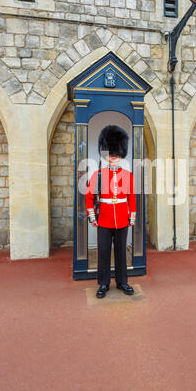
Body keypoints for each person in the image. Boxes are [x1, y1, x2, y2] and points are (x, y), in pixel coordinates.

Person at [85, 125, 137, 299]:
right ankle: (104, 283)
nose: (113, 158)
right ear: (106, 155)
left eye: (116, 155)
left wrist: (132, 216)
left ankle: (122, 281)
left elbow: (131, 198)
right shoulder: (98, 175)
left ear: (120, 155)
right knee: (104, 252)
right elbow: (89, 197)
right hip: (104, 220)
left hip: (122, 219)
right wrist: (92, 216)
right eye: (110, 155)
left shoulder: (128, 175)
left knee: (121, 251)